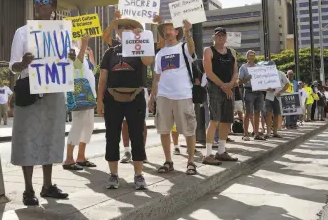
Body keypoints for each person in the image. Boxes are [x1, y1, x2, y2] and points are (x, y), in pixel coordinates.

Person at [9, 0, 70, 206]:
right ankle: (28, 188)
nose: (40, 4)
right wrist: (23, 63)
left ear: (53, 7)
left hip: (53, 91)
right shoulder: (23, 32)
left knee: (51, 136)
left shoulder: (62, 33)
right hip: (30, 91)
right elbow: (13, 66)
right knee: (27, 137)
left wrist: (71, 56)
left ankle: (48, 185)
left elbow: (67, 63)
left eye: (45, 1)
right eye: (37, 1)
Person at [97, 15, 154, 190]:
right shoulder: (110, 52)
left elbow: (148, 61)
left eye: (129, 27)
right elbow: (103, 78)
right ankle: (113, 175)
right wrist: (99, 100)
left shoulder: (141, 48)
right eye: (121, 27)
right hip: (112, 98)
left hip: (135, 97)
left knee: (137, 136)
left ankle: (138, 175)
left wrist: (140, 39)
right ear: (118, 32)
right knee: (112, 137)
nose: (125, 30)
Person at [149, 19, 198, 175]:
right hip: (163, 96)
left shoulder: (183, 47)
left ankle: (191, 162)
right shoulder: (160, 53)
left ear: (177, 32)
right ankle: (168, 161)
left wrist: (189, 32)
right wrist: (152, 97)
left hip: (183, 94)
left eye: (171, 29)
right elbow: (157, 76)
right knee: (164, 130)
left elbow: (192, 49)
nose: (168, 32)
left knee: (188, 129)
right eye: (165, 30)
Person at [202, 28, 239, 165]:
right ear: (214, 37)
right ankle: (208, 154)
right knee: (214, 120)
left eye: (223, 36)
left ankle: (221, 151)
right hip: (215, 88)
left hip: (229, 89)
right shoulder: (208, 50)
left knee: (226, 120)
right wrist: (224, 86)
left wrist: (230, 84)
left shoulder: (232, 52)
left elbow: (236, 71)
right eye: (218, 36)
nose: (221, 38)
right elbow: (209, 72)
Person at [63, 35, 97, 171]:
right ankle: (69, 158)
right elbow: (76, 65)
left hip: (88, 94)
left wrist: (89, 53)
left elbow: (92, 70)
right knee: (77, 125)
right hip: (79, 93)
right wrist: (84, 45)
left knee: (88, 125)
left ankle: (81, 156)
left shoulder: (82, 51)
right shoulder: (70, 50)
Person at [238, 50, 264, 141]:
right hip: (249, 91)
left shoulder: (259, 67)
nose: (252, 56)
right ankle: (245, 134)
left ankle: (256, 133)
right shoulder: (243, 67)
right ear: (247, 56)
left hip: (259, 91)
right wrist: (247, 78)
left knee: (257, 113)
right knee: (248, 113)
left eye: (253, 55)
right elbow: (240, 81)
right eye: (250, 55)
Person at [264, 64, 290, 138]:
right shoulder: (266, 74)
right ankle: (268, 132)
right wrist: (267, 88)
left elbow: (287, 84)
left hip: (277, 97)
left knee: (276, 114)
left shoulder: (280, 73)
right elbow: (262, 85)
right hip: (268, 96)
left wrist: (280, 91)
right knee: (268, 114)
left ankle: (275, 132)